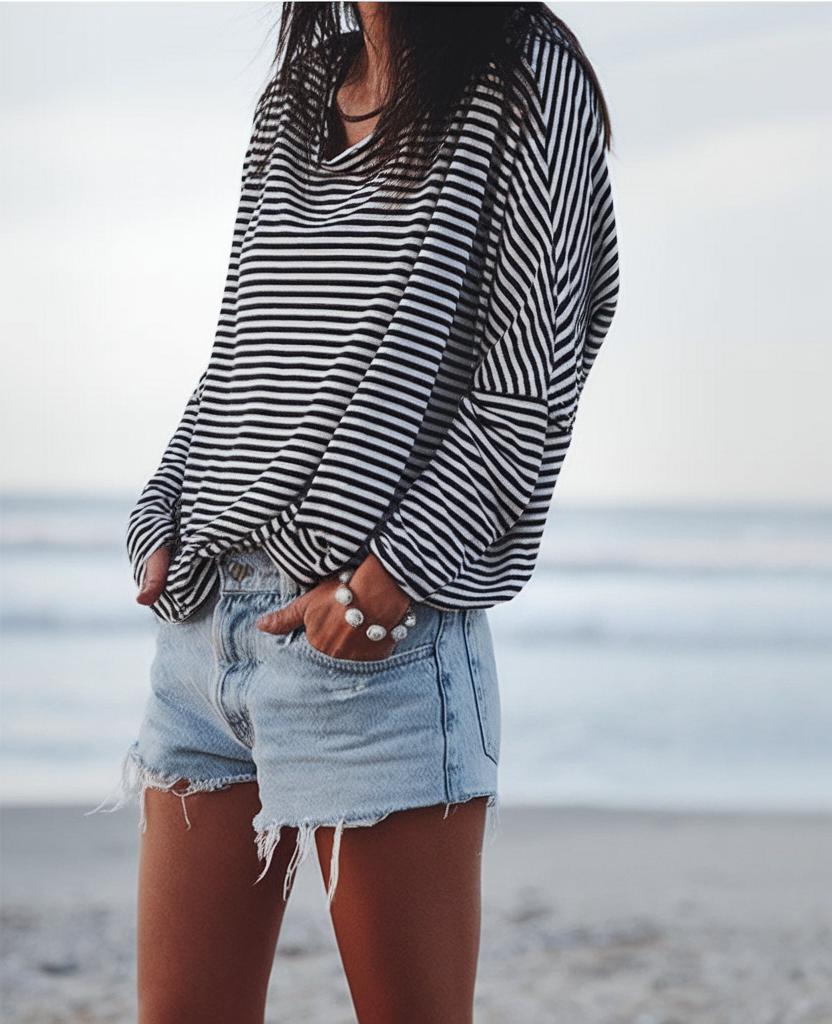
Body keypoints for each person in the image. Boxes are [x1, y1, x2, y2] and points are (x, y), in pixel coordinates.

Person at [110, 3, 619, 1022]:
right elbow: (241, 351)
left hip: (374, 650)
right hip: (203, 640)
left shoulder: (525, 78)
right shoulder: (298, 94)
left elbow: (529, 384)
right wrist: (163, 505)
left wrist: (385, 583)